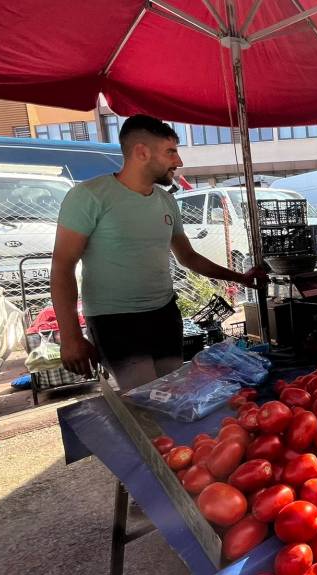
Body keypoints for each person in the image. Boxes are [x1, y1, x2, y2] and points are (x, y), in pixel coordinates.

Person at [51, 115, 262, 389]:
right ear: (141, 152)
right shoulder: (89, 196)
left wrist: (240, 278)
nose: (179, 161)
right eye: (171, 152)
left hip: (164, 314)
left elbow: (188, 257)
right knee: (144, 400)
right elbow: (62, 266)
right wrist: (70, 337)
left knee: (170, 394)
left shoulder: (166, 200)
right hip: (115, 321)